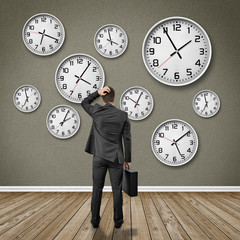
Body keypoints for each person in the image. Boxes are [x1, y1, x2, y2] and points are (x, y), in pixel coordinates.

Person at [81, 86, 131, 229]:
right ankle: (118, 221)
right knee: (117, 189)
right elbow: (127, 139)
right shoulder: (123, 115)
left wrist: (96, 92)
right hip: (116, 158)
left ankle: (95, 221)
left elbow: (84, 102)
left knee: (97, 189)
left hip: (99, 157)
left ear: (103, 99)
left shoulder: (96, 111)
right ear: (114, 99)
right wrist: (127, 159)